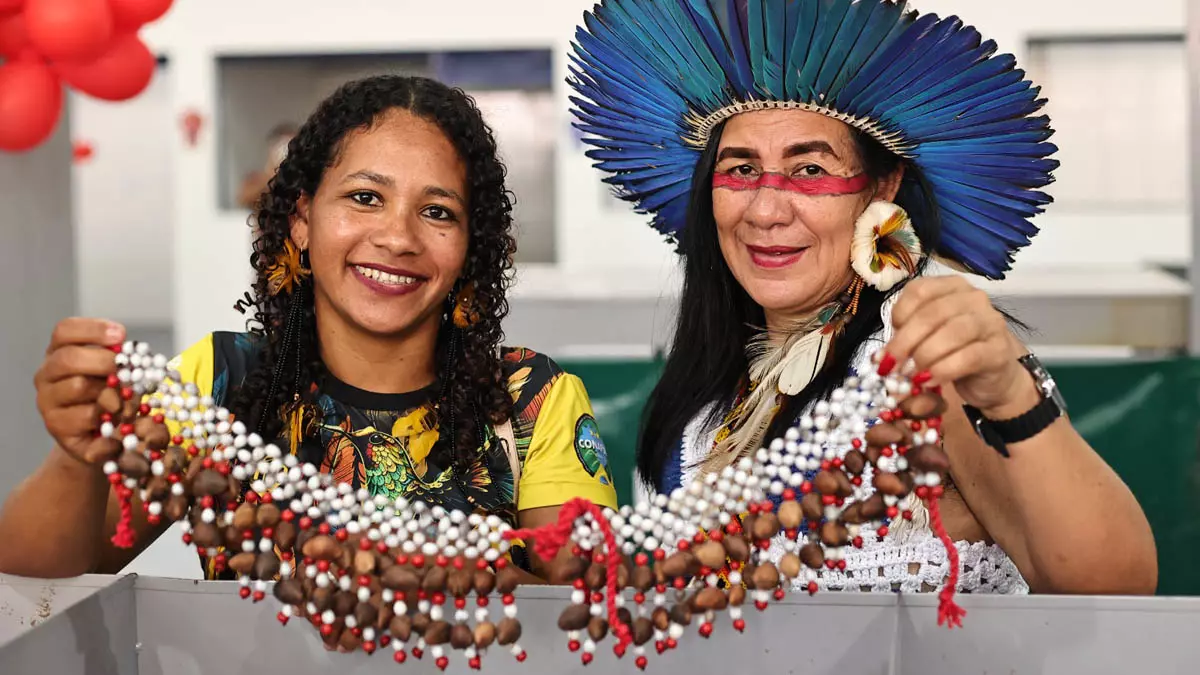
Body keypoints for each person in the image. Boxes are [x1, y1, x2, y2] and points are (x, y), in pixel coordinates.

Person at [570, 0, 1155, 595]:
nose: (766, 211)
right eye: (741, 170)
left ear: (882, 186)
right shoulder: (703, 400)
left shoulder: (923, 367)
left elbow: (1114, 584)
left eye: (810, 172)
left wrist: (1010, 392)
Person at [0, 75, 617, 583]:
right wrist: (77, 459)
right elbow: (38, 573)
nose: (398, 237)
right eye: (365, 198)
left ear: (469, 250)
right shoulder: (220, 383)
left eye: (437, 212)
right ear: (302, 221)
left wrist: (424, 574)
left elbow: (588, 604)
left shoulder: (531, 399)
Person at [237, 123, 298, 210]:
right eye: (283, 147)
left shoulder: (302, 179)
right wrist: (274, 171)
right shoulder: (256, 180)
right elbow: (243, 199)